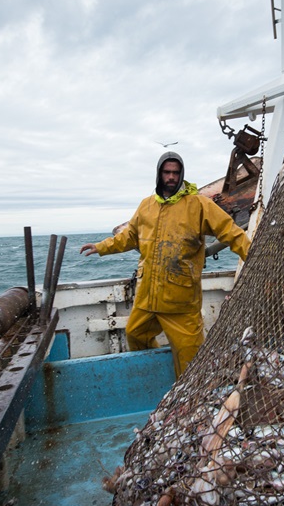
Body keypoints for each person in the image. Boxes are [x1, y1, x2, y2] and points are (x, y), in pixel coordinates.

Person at [80, 151, 251, 375]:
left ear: (181, 175)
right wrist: (100, 247)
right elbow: (128, 237)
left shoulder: (199, 205)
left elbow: (231, 233)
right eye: (167, 172)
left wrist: (253, 257)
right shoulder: (146, 205)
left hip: (181, 300)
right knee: (135, 334)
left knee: (190, 356)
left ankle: (188, 397)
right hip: (147, 297)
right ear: (159, 174)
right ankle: (157, 378)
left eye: (175, 173)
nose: (171, 177)